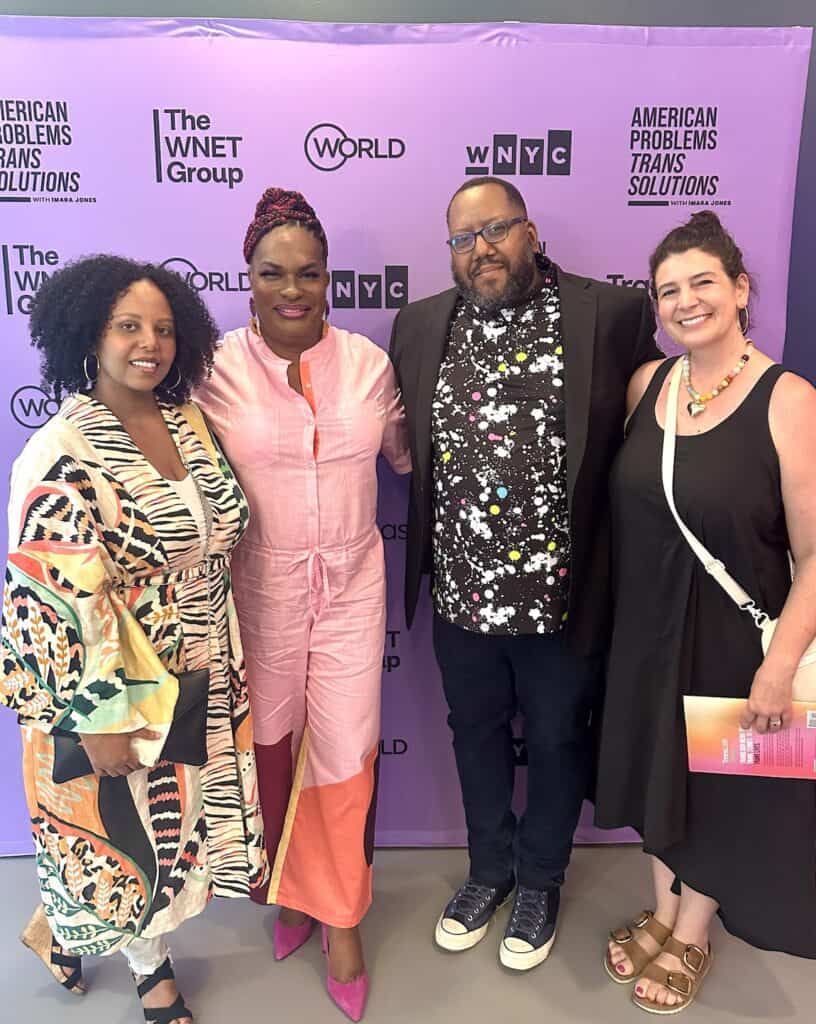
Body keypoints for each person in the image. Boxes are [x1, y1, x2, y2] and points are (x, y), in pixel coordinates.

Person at [388, 176, 659, 970]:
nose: (482, 250)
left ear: (531, 232)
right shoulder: (419, 324)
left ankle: (541, 879)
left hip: (562, 597)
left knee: (553, 738)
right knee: (472, 734)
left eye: (497, 229)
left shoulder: (609, 314)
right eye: (464, 239)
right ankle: (487, 871)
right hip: (461, 594)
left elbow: (654, 426)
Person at [2, 256, 268, 1024]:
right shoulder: (60, 450)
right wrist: (100, 713)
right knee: (133, 833)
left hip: (203, 658)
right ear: (90, 333)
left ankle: (58, 927)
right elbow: (50, 598)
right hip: (121, 678)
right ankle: (151, 971)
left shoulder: (191, 423)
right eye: (128, 326)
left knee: (180, 826)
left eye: (162, 327)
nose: (149, 343)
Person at [196, 187, 410, 1021]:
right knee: (273, 753)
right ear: (247, 277)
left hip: (354, 586)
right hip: (260, 592)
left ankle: (342, 917)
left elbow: (402, 456)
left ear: (330, 278)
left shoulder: (368, 364)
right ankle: (287, 891)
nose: (293, 289)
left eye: (309, 273)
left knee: (348, 755)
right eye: (272, 272)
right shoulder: (212, 370)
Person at [597, 210, 816, 1014]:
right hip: (646, 633)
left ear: (740, 289)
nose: (686, 302)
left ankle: (693, 930)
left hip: (738, 644)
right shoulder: (648, 384)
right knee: (656, 777)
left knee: (724, 795)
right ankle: (662, 910)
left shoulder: (788, 398)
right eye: (668, 291)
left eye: (703, 283)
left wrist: (782, 665)